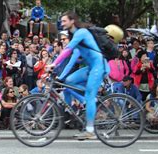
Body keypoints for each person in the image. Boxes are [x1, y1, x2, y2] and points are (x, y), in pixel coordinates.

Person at [48, 11, 123, 140]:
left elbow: (68, 50)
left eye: (64, 20)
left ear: (72, 21)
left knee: (89, 95)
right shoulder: (74, 35)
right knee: (69, 81)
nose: (62, 23)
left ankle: (90, 130)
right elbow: (73, 56)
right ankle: (90, 99)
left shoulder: (81, 33)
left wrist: (54, 63)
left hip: (99, 66)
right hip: (91, 67)